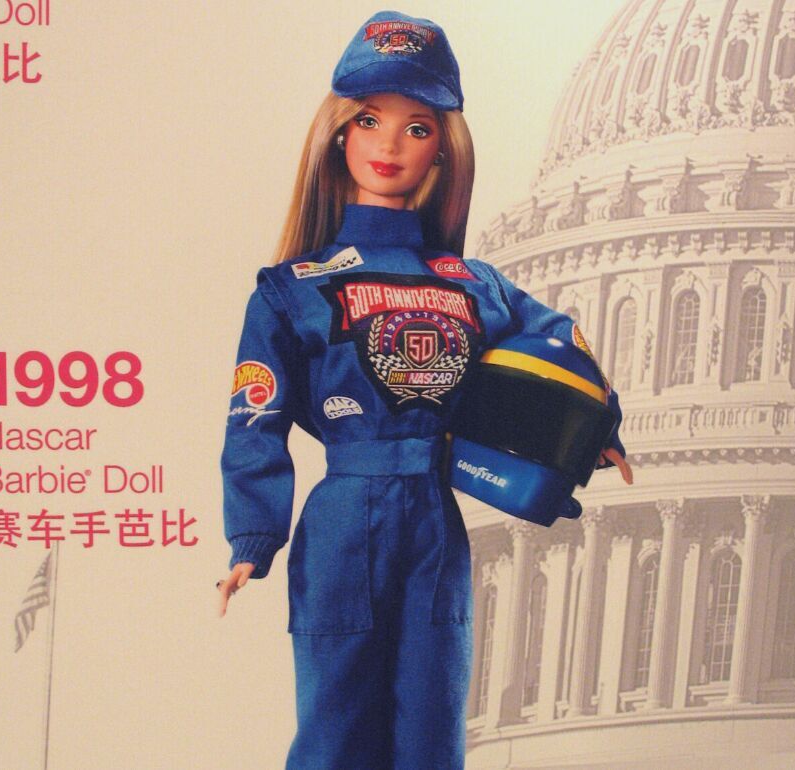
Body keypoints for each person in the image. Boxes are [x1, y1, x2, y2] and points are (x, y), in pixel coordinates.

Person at [215, 11, 632, 769]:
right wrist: (254, 534)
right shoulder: (294, 286)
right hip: (344, 517)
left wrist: (596, 429)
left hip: (434, 522)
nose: (388, 145)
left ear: (442, 147)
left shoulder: (473, 283)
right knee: (336, 728)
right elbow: (256, 416)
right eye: (369, 121)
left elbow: (559, 344)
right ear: (339, 134)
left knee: (431, 729)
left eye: (416, 127)